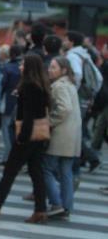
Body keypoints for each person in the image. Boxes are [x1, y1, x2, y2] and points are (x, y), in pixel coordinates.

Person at [0, 54, 50, 224]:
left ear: (30, 68)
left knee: (9, 172)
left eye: (23, 64)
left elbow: (29, 115)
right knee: (36, 172)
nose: (20, 67)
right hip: (39, 136)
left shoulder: (29, 86)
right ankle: (40, 209)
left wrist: (21, 138)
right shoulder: (41, 85)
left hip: (27, 136)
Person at [44, 57, 81, 219]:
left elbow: (65, 109)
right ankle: (66, 206)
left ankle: (56, 203)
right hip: (72, 135)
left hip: (60, 134)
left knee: (46, 169)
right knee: (66, 172)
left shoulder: (59, 86)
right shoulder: (70, 84)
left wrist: (49, 122)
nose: (50, 70)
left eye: (54, 67)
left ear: (64, 70)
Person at [64, 31, 103, 173]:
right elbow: (98, 78)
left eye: (66, 39)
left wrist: (72, 91)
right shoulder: (85, 55)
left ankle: (92, 158)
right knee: (76, 130)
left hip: (78, 98)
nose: (64, 41)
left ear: (71, 42)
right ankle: (84, 159)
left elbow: (78, 74)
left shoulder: (73, 56)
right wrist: (92, 94)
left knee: (73, 131)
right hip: (84, 98)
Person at [0, 45, 22, 163]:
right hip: (20, 102)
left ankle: (7, 156)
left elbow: (2, 85)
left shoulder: (7, 67)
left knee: (6, 129)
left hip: (8, 101)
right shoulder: (23, 67)